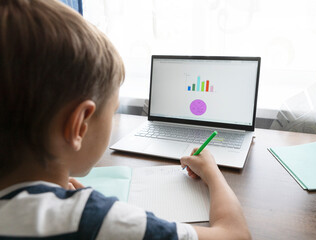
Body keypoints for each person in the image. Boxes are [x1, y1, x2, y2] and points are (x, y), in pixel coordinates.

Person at [0, 0, 251, 239]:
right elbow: (236, 235)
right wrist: (212, 172)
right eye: (114, 111)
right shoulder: (97, 221)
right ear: (79, 125)